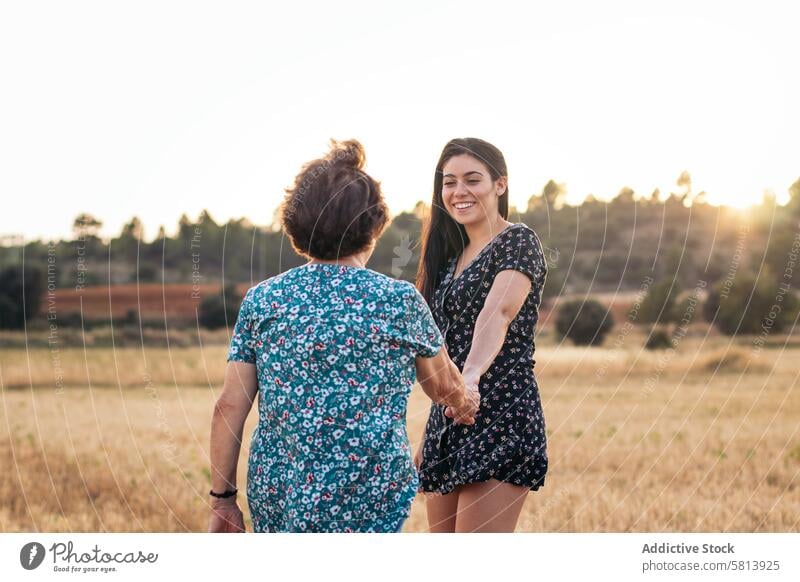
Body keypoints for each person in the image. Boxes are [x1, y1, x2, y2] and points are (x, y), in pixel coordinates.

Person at [208, 139, 478, 533]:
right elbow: (443, 385)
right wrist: (465, 400)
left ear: (296, 223)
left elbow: (229, 407)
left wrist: (223, 500)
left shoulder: (262, 301)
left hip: (280, 495)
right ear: (373, 226)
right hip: (371, 495)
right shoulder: (398, 300)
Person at [414, 137, 549, 532]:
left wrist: (469, 378)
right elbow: (436, 348)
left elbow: (499, 314)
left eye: (472, 179)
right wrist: (432, 427)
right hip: (450, 419)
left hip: (500, 415)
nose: (459, 192)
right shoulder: (446, 259)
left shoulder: (517, 242)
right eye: (449, 181)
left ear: (500, 185)